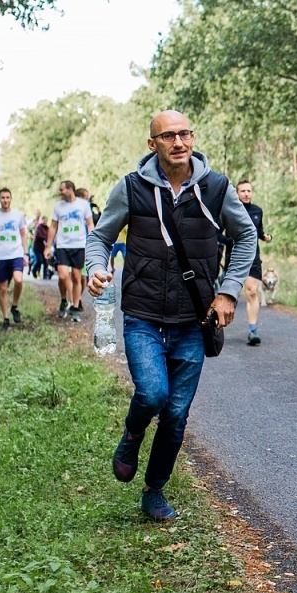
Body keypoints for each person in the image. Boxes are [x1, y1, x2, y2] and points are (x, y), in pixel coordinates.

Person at [85, 110, 255, 522]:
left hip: (193, 320)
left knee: (176, 414)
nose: (178, 142)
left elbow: (246, 235)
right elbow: (101, 237)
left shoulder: (216, 188)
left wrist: (228, 291)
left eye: (184, 134)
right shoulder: (131, 187)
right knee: (152, 394)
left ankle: (154, 490)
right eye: (168, 136)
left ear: (192, 138)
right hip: (142, 314)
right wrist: (96, 268)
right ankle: (133, 432)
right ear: (153, 144)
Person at [47, 180, 93, 321]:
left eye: (62, 189)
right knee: (62, 275)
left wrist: (92, 241)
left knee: (77, 276)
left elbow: (90, 224)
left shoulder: (83, 205)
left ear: (70, 189)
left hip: (79, 245)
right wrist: (48, 246)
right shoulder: (58, 206)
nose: (60, 192)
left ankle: (75, 308)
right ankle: (65, 300)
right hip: (62, 245)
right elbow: (53, 227)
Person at [0, 188, 29, 329]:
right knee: (3, 289)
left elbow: (23, 234)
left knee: (18, 280)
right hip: (0, 256)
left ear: (11, 198)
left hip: (16, 254)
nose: (5, 200)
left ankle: (14, 306)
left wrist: (25, 253)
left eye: (7, 197)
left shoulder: (18, 215)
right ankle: (5, 319)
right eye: (3, 197)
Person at [235, 179, 272, 346]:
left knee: (251, 291)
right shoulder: (230, 209)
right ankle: (215, 328)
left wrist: (265, 237)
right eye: (242, 191)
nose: (246, 194)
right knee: (230, 295)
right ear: (237, 193)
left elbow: (259, 231)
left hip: (253, 256)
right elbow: (218, 232)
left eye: (249, 191)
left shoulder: (257, 211)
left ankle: (252, 330)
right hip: (235, 256)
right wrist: (229, 242)